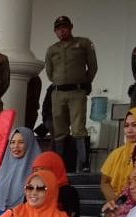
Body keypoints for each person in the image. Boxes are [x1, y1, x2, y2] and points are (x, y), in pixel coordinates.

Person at [44, 15, 98, 172]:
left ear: (71, 27)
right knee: (59, 130)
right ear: (55, 31)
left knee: (78, 128)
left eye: (65, 27)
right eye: (59, 29)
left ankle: (84, 163)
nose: (62, 31)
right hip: (58, 93)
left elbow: (92, 67)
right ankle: (59, 164)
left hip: (77, 92)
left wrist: (83, 83)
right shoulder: (52, 50)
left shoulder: (83, 43)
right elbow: (50, 72)